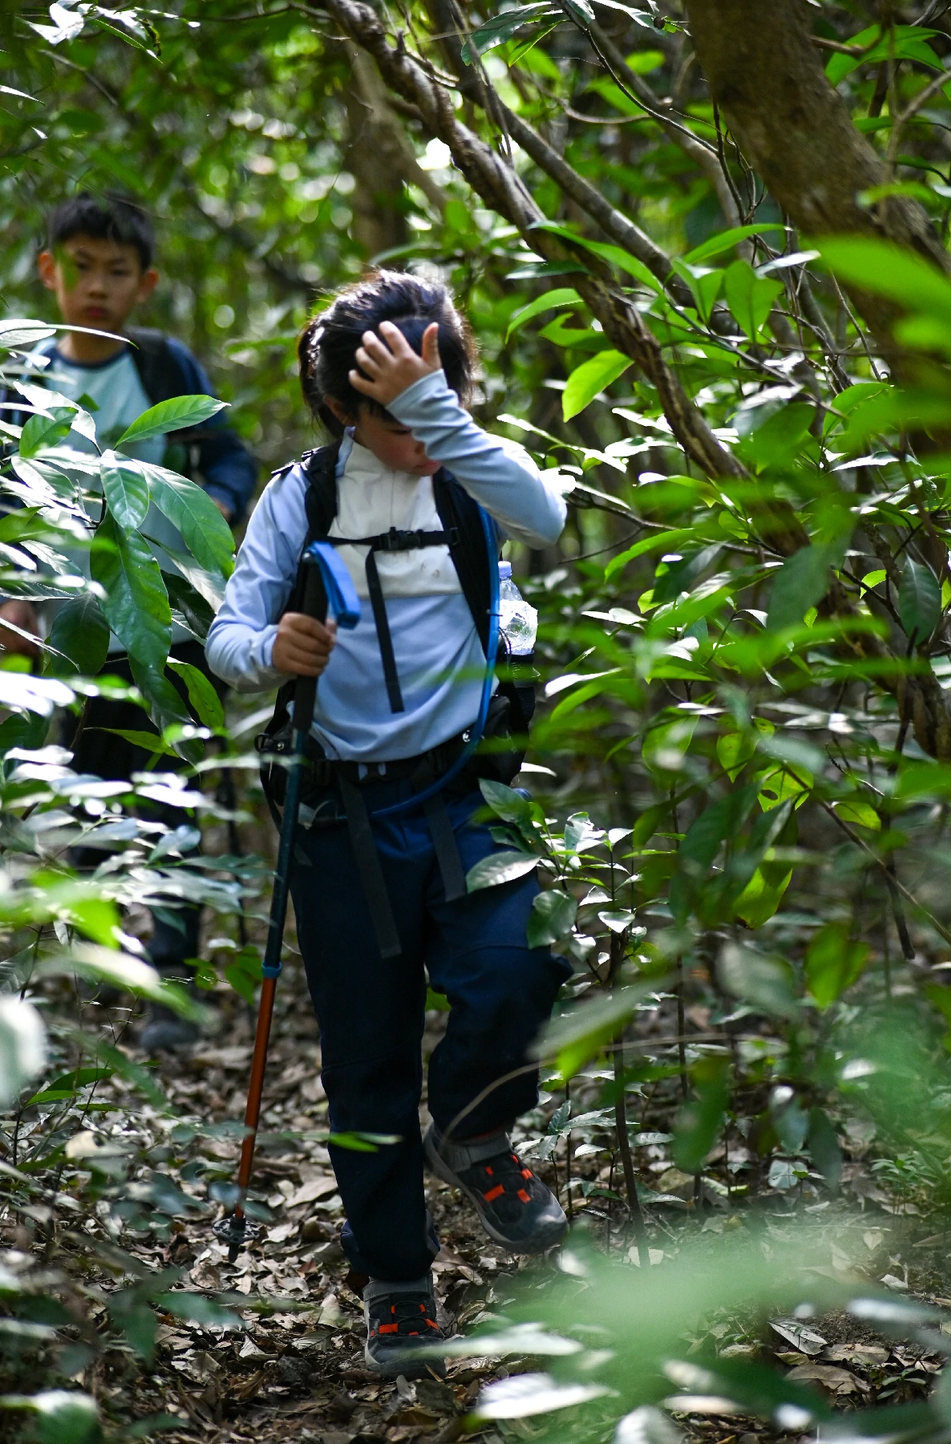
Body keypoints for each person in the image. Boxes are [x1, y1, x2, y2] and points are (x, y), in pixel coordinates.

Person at [206, 271, 570, 1378]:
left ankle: (472, 1127)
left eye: (442, 398)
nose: (422, 433)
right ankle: (399, 1282)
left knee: (521, 966)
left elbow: (548, 517)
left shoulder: (468, 473)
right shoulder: (303, 497)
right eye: (397, 414)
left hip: (466, 788)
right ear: (341, 410)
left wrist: (436, 414)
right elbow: (226, 637)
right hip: (342, 815)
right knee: (366, 1058)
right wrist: (273, 651)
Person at [0, 192, 258, 1050]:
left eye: (117, 271)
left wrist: (210, 513)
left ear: (144, 284)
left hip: (168, 622)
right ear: (49, 272)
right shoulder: (24, 376)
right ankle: (106, 975)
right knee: (83, 798)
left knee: (172, 797)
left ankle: (174, 987)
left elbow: (227, 456)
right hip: (68, 630)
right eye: (82, 268)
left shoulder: (163, 368)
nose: (97, 287)